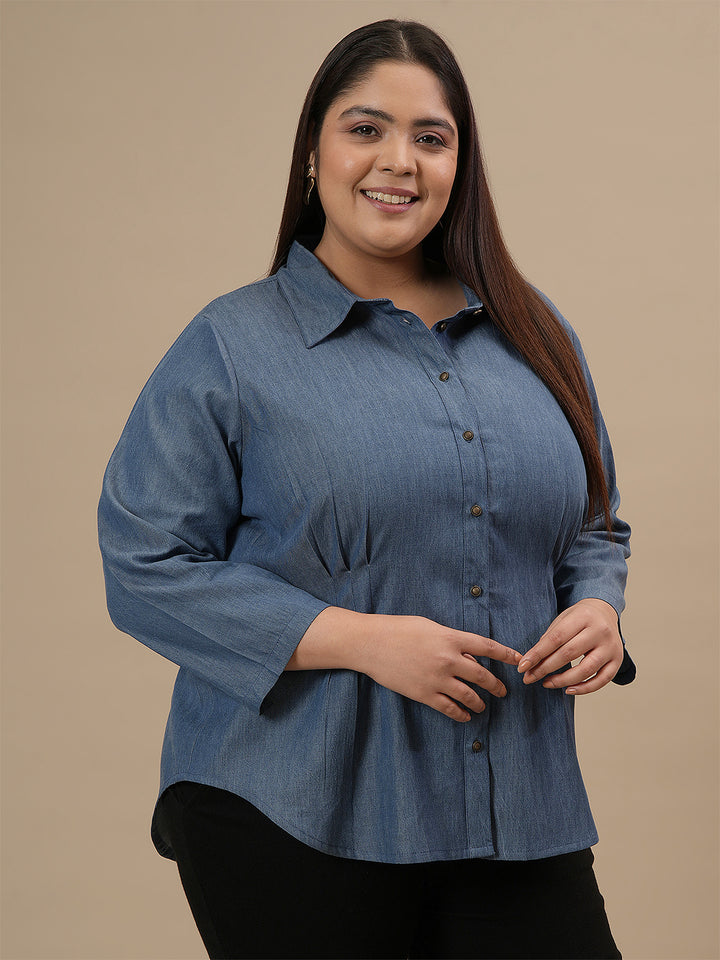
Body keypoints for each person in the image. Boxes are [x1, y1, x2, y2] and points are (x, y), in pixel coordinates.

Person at [98, 18, 635, 960]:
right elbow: (144, 564)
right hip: (292, 807)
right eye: (365, 129)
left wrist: (599, 605)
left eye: (431, 137)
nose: (400, 161)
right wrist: (365, 642)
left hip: (517, 803)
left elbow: (593, 524)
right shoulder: (231, 348)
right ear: (314, 150)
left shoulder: (535, 332)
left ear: (460, 164)